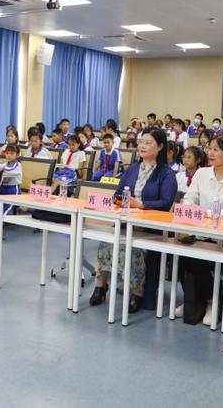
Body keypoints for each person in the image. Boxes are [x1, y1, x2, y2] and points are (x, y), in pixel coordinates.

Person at [89, 128, 177, 313]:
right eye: (141, 142)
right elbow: (117, 194)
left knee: (135, 247)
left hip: (149, 225)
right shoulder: (132, 169)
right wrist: (119, 200)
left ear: (160, 147)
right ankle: (100, 285)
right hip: (125, 220)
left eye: (148, 143)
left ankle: (137, 292)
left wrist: (141, 205)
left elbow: (166, 202)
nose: (142, 146)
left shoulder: (166, 173)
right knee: (107, 241)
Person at [177, 136, 223, 324]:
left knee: (199, 258)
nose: (210, 153)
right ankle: (195, 300)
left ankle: (210, 302)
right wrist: (193, 209)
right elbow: (189, 198)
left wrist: (204, 213)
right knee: (181, 254)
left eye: (216, 149)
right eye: (209, 148)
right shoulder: (201, 174)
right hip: (200, 231)